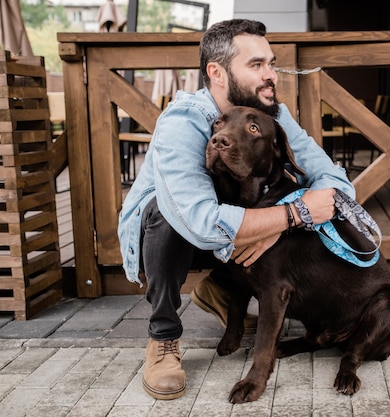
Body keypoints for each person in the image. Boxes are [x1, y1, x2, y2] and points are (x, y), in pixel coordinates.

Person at [117, 19, 355, 400]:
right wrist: (295, 214)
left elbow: (337, 185)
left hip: (232, 231)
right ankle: (163, 336)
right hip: (176, 236)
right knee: (166, 212)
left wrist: (291, 213)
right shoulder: (183, 121)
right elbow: (201, 224)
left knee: (280, 199)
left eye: (271, 64)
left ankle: (222, 289)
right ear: (217, 72)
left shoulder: (272, 114)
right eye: (256, 65)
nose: (270, 76)